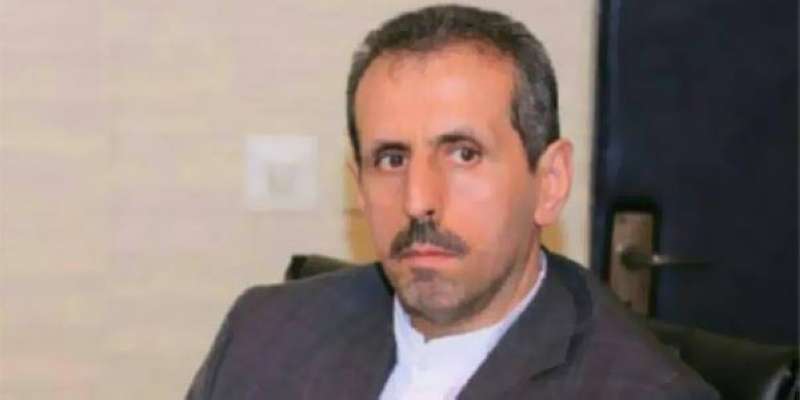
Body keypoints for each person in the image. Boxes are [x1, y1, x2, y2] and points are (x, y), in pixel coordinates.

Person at [187, 4, 718, 399]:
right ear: (359, 186)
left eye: (464, 154)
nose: (418, 201)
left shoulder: (640, 391)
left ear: (550, 182)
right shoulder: (263, 333)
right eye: (391, 159)